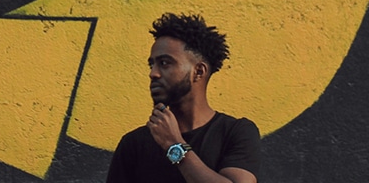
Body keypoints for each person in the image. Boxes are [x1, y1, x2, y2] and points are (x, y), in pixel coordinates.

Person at [106, 13, 260, 183]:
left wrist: (174, 145)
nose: (153, 73)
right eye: (152, 64)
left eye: (165, 63)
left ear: (198, 72)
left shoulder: (236, 132)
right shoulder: (134, 144)